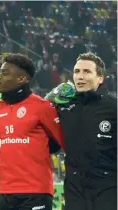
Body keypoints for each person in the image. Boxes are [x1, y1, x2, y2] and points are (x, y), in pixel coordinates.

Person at [0, 53, 64, 210]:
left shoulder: (42, 106)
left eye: (5, 73)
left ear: (22, 80)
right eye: (0, 71)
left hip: (35, 192)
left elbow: (60, 142)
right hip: (5, 191)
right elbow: (5, 149)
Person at [53, 52, 116, 210]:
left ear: (100, 78)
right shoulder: (64, 106)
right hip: (75, 188)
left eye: (86, 72)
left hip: (107, 187)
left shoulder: (113, 108)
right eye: (76, 71)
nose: (80, 76)